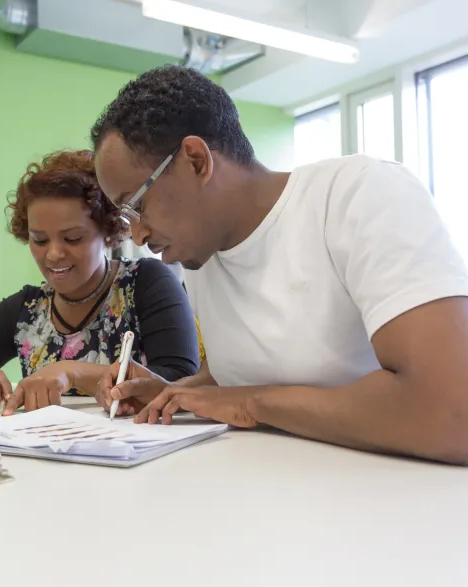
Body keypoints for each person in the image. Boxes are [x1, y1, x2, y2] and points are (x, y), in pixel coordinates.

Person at [91, 64, 468, 465]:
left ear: (197, 161)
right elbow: (256, 369)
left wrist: (251, 404)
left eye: (138, 206)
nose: (137, 235)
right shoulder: (202, 253)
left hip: (397, 502)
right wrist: (175, 392)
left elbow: (451, 415)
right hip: (277, 497)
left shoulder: (360, 194)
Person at [0, 150, 199, 414]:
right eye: (39, 240)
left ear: (108, 229)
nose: (53, 254)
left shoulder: (146, 283)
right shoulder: (27, 309)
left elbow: (181, 380)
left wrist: (72, 372)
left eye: (73, 238)